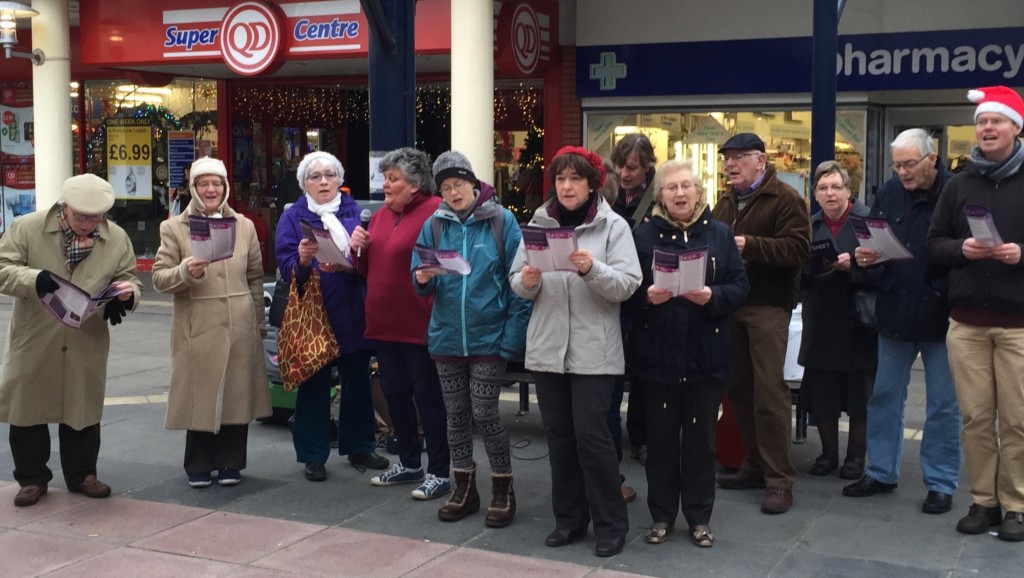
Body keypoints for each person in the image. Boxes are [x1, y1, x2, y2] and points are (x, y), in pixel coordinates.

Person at [510, 146, 641, 557]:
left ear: (591, 184)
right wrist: (528, 281)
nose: (566, 186)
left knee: (592, 438)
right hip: (548, 347)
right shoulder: (538, 221)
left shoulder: (612, 226)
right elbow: (516, 280)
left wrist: (591, 269)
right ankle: (569, 520)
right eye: (561, 179)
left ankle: (611, 524)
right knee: (559, 437)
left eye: (575, 179)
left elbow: (628, 284)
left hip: (594, 352)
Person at [0, 174, 142, 507]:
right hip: (36, 335)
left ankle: (82, 475)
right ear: (65, 208)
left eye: (96, 218)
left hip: (85, 337)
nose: (89, 224)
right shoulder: (28, 227)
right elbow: (3, 266)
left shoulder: (117, 238)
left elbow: (130, 278)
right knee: (28, 408)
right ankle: (32, 479)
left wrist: (126, 295)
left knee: (82, 408)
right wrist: (34, 278)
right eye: (81, 217)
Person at [627, 160, 748, 548]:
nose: (679, 194)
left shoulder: (720, 235)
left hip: (705, 356)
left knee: (701, 442)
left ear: (699, 191)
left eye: (686, 186)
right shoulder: (642, 238)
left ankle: (699, 517)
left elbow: (740, 287)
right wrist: (646, 296)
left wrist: (714, 296)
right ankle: (661, 516)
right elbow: (625, 294)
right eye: (670, 188)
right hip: (657, 356)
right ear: (659, 195)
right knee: (660, 442)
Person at [843, 128, 960, 517]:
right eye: (897, 165)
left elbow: (962, 253)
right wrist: (868, 258)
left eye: (909, 164)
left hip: (942, 313)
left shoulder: (956, 192)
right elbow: (877, 238)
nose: (902, 172)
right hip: (895, 308)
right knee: (885, 396)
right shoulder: (889, 191)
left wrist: (944, 288)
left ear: (932, 160)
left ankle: (940, 483)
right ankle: (881, 471)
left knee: (943, 405)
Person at [411, 150, 531, 527]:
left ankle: (502, 487)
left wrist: (510, 341)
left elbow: (519, 285)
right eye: (446, 187)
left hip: (488, 339)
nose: (453, 193)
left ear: (473, 183)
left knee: (485, 413)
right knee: (456, 416)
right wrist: (421, 278)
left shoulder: (501, 220)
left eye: (459, 184)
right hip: (447, 338)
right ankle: (463, 487)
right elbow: (417, 277)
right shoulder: (434, 225)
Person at [928, 85, 1024, 542]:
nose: (987, 128)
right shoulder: (959, 184)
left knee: (1018, 420)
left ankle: (1017, 506)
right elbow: (933, 245)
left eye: (997, 121)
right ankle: (983, 501)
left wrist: (1020, 254)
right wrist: (960, 249)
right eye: (982, 122)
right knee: (976, 419)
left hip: (1018, 325)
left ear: (1016, 127)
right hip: (966, 323)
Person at [152, 157, 271, 487]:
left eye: (216, 183)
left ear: (226, 187)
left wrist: (258, 322)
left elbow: (255, 277)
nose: (210, 189)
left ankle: (232, 463)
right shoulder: (174, 227)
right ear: (193, 188)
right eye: (203, 183)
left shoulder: (244, 225)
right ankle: (199, 464)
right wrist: (184, 272)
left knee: (237, 392)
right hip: (197, 322)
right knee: (199, 394)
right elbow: (160, 278)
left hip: (240, 320)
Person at [274, 151, 389, 482]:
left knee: (357, 382)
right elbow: (285, 265)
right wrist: (303, 260)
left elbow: (374, 260)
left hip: (353, 309)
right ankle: (313, 454)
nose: (323, 181)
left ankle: (360, 445)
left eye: (330, 175)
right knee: (314, 384)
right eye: (315, 176)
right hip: (314, 313)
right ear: (304, 183)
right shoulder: (292, 217)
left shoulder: (359, 213)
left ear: (339, 179)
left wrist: (361, 252)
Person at [711, 132, 811, 515]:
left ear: (761, 160)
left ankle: (779, 480)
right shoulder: (725, 201)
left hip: (768, 306)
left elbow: (798, 248)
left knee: (770, 393)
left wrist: (748, 245)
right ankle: (753, 464)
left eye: (738, 157)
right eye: (727, 159)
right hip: (731, 305)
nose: (731, 165)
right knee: (739, 392)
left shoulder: (784, 199)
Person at [350, 147, 451, 500]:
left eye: (393, 179)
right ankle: (409, 462)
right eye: (385, 177)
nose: (385, 185)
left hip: (419, 324)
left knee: (428, 398)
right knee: (394, 395)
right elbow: (366, 271)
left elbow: (443, 268)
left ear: (415, 184)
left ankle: (440, 470)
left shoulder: (436, 213)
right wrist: (357, 248)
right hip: (383, 323)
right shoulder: (378, 217)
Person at [798, 161, 877, 481]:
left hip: (856, 320)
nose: (830, 193)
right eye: (823, 188)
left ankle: (855, 459)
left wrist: (855, 267)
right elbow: (797, 279)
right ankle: (828, 454)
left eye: (836, 187)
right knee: (822, 397)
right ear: (815, 194)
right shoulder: (809, 225)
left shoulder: (868, 222)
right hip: (820, 320)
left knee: (860, 398)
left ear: (848, 190)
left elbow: (888, 271)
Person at [610, 134, 657, 467]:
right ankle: (612, 435)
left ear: (647, 168)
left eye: (632, 168)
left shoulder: (659, 196)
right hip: (614, 294)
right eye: (620, 167)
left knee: (643, 370)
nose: (624, 174)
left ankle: (641, 437)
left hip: (646, 295)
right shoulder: (608, 194)